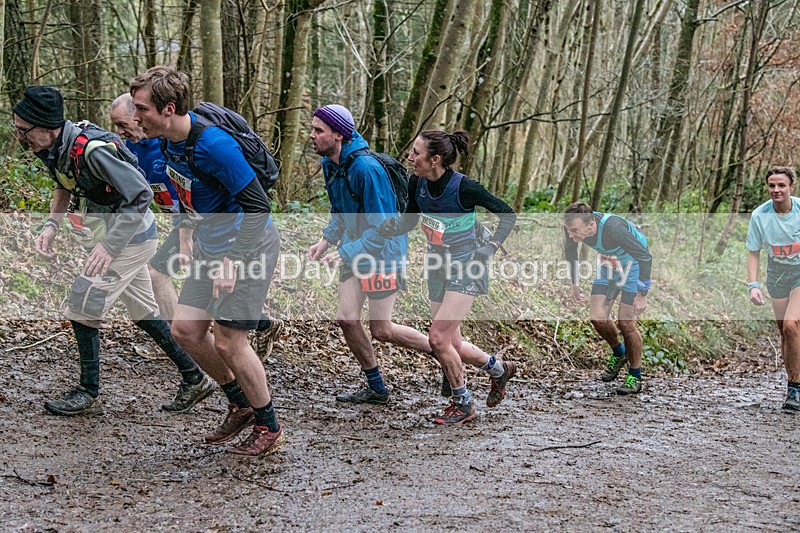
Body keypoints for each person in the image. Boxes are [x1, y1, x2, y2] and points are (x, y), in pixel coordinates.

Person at [13, 85, 215, 416]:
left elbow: (140, 195)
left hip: (133, 238)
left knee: (84, 299)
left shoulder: (92, 150)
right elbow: (63, 185)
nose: (22, 138)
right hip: (116, 237)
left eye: (25, 131)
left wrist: (108, 247)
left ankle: (87, 391)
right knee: (144, 312)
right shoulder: (56, 149)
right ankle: (194, 377)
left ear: (46, 126)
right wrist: (50, 225)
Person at [130, 66, 284, 456]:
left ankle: (269, 426)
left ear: (167, 108)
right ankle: (240, 403)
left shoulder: (215, 146)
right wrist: (184, 236)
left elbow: (258, 207)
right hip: (210, 245)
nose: (136, 117)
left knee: (230, 341)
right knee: (185, 331)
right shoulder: (167, 141)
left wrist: (232, 260)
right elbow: (185, 192)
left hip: (249, 246)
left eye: (141, 109)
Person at [379, 130, 517, 425]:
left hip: (468, 264)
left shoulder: (465, 187)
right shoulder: (417, 182)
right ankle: (498, 369)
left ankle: (463, 404)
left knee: (438, 337)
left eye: (416, 153)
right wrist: (386, 227)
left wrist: (490, 248)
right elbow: (411, 219)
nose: (410, 157)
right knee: (450, 343)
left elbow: (507, 214)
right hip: (437, 265)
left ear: (435, 159)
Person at [307, 104, 436, 405]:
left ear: (337, 134)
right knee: (347, 319)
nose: (311, 135)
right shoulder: (330, 164)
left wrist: (345, 252)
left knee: (383, 329)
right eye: (312, 128)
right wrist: (326, 241)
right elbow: (340, 210)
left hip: (383, 251)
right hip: (356, 248)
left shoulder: (367, 169)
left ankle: (443, 352)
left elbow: (382, 228)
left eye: (318, 130)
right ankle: (377, 387)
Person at [563, 202, 652, 394]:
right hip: (608, 263)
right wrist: (574, 282)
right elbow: (571, 251)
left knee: (626, 324)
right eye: (569, 231)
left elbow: (645, 256)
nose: (571, 235)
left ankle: (635, 376)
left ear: (591, 225)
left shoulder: (613, 229)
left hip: (633, 265)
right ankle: (619, 353)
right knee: (597, 317)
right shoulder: (573, 225)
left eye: (574, 231)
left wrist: (642, 293)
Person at [746, 166, 800, 412]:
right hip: (777, 273)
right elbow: (754, 252)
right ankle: (794, 381)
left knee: (791, 324)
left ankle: (795, 389)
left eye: (781, 185)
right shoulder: (760, 215)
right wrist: (753, 285)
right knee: (784, 331)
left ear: (791, 187)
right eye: (771, 185)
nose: (776, 190)